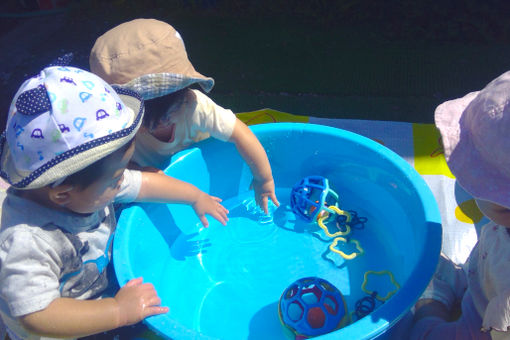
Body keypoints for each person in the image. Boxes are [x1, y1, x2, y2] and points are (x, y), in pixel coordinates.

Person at [0, 65, 229, 339]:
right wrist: (118, 311)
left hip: (94, 289)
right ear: (62, 194)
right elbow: (36, 315)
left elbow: (143, 184)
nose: (124, 180)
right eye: (117, 177)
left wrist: (194, 196)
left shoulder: (86, 188)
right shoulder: (27, 241)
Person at [89, 18, 279, 215]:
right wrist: (137, 170)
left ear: (184, 92)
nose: (163, 123)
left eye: (171, 113)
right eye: (147, 122)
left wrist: (264, 179)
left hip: (204, 167)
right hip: (158, 186)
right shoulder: (116, 127)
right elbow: (111, 164)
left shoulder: (195, 105)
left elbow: (242, 134)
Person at [410, 70, 510, 339]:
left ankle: (432, 307)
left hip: (483, 325)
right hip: (486, 276)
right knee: (478, 272)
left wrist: (429, 314)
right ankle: (463, 281)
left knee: (421, 331)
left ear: (503, 209)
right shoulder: (501, 222)